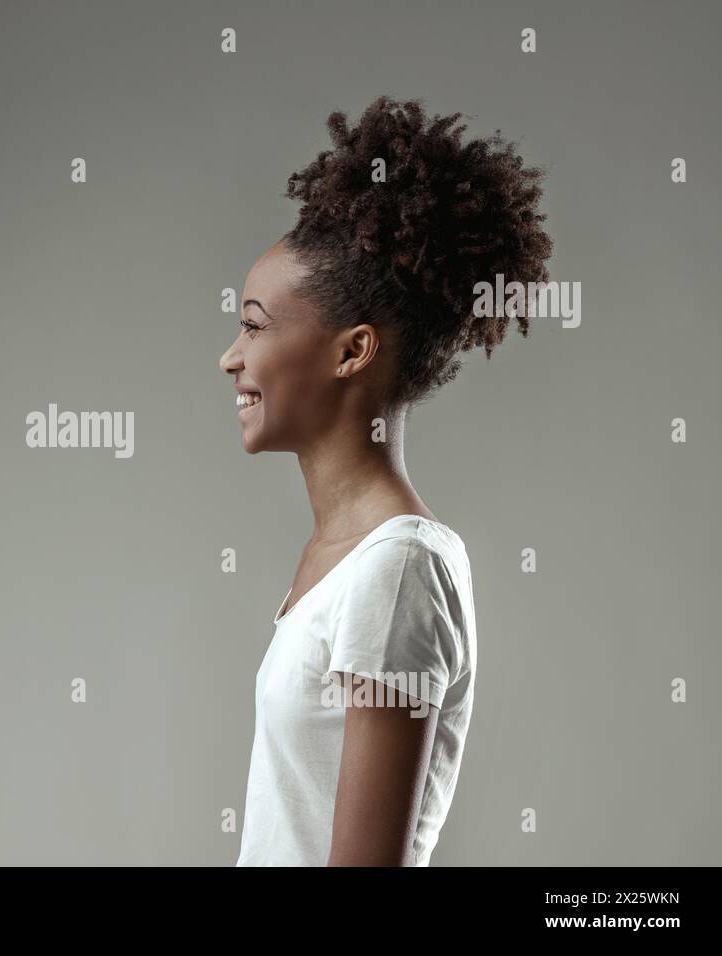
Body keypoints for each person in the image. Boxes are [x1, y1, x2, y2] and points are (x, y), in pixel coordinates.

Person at [223, 96, 552, 866]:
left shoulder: (398, 568)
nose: (231, 357)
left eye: (255, 324)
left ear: (352, 351)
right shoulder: (344, 559)